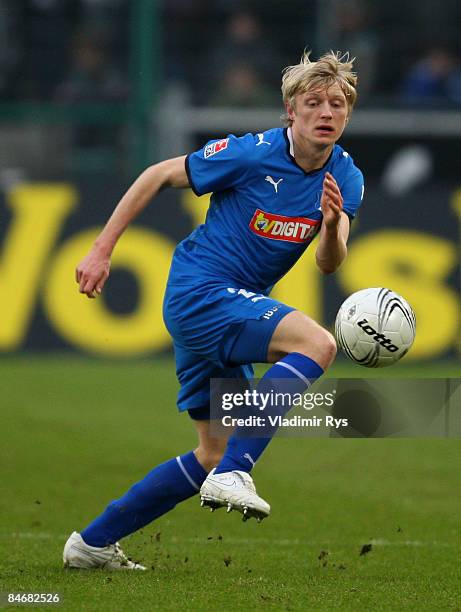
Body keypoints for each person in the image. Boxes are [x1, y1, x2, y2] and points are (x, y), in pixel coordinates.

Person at [63, 50, 364, 570]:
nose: (326, 113)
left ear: (346, 114)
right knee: (318, 343)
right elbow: (157, 175)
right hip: (200, 292)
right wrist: (101, 249)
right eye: (313, 102)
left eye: (336, 104)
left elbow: (329, 264)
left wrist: (334, 224)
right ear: (290, 111)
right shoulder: (251, 154)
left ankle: (91, 544)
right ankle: (238, 471)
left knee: (211, 450)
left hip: (228, 308)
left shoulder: (345, 176)